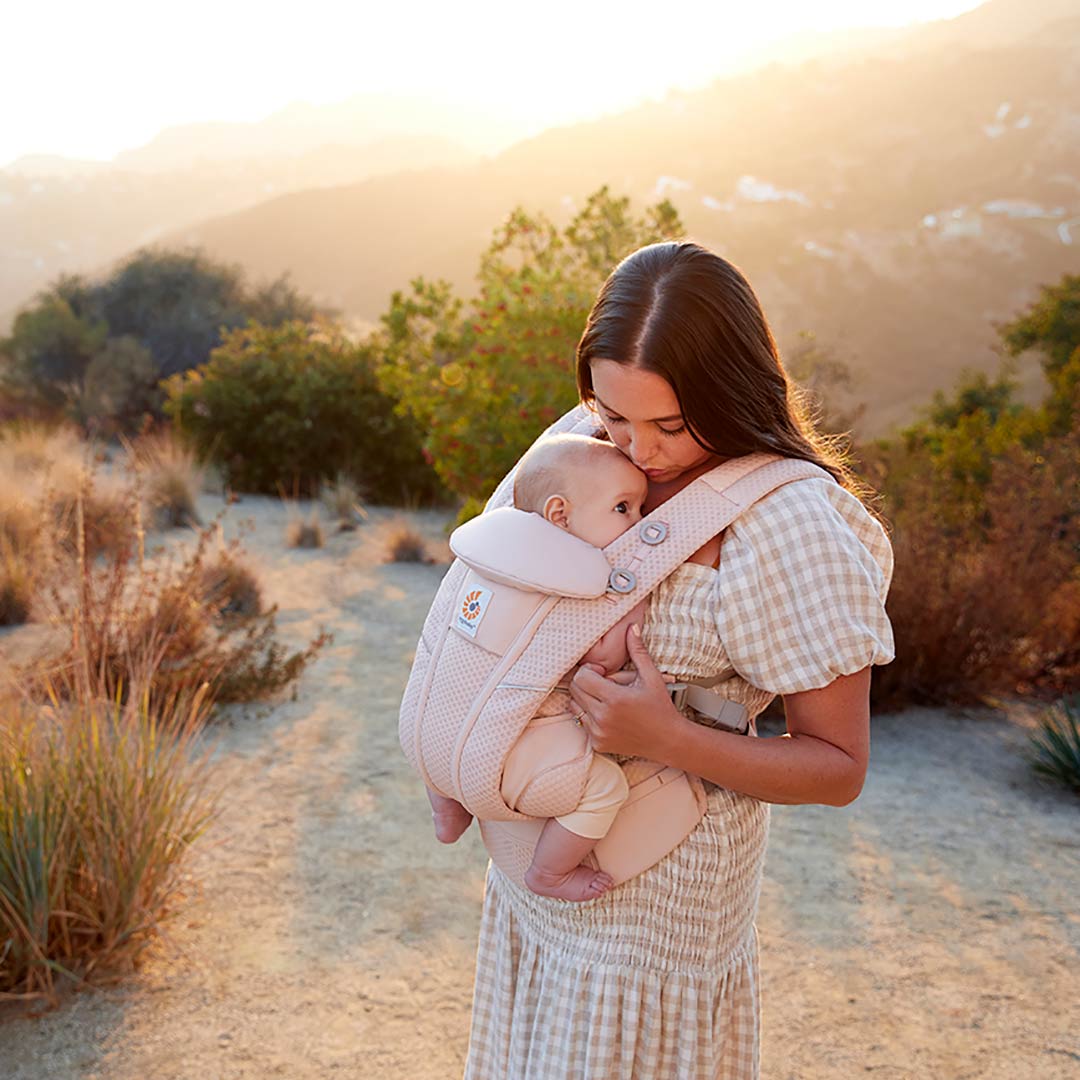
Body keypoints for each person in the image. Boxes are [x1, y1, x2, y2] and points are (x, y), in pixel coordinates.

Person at [463, 240, 895, 1079]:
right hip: (538, 869)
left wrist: (666, 737)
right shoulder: (581, 444)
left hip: (659, 905)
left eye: (669, 423)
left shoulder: (790, 521)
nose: (640, 451)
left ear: (733, 390)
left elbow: (839, 768)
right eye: (615, 414)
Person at [426, 433, 655, 902]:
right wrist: (635, 607)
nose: (639, 520)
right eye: (623, 508)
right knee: (604, 788)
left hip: (427, 733)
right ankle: (549, 872)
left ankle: (447, 810)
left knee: (442, 728)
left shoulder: (489, 553)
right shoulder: (577, 580)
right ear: (559, 515)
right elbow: (603, 659)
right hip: (505, 755)